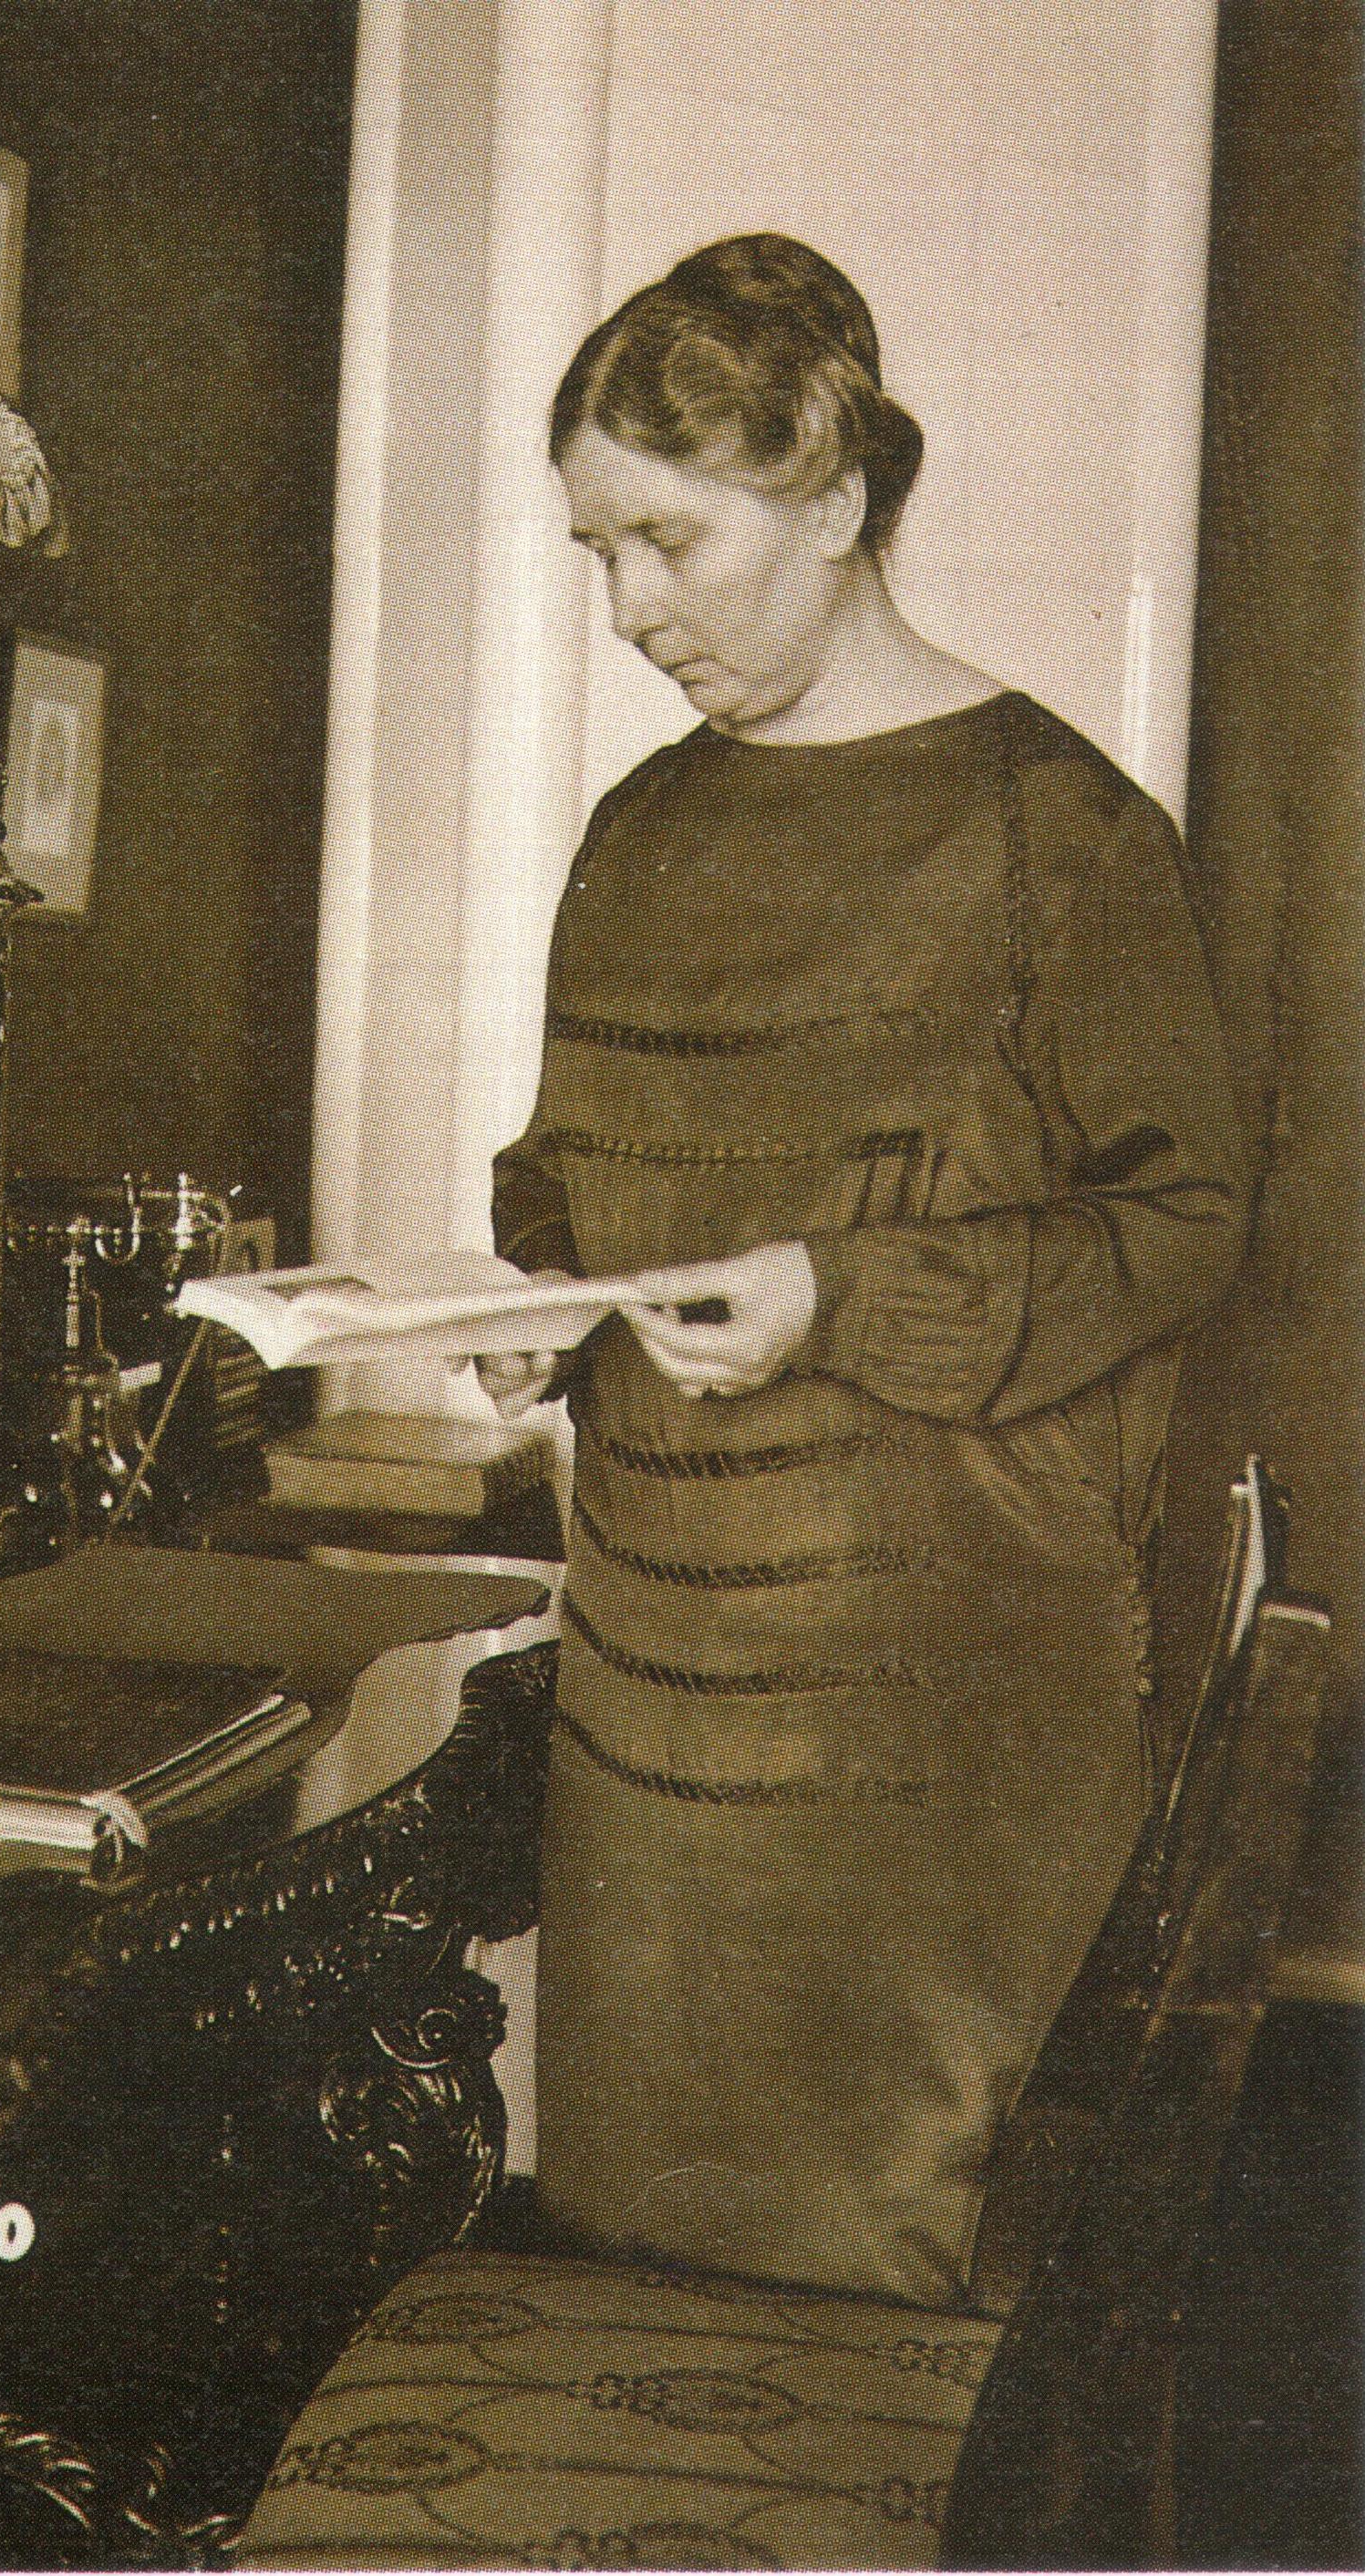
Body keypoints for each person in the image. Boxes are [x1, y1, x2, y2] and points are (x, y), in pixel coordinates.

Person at [481, 235, 1246, 2307]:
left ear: (831, 497)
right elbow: (562, 1162)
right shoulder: (636, 830)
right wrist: (532, 1299)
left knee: (884, 2316)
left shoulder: (1062, 833)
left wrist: (837, 1293)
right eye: (597, 550)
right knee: (634, 2283)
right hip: (647, 1714)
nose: (629, 608)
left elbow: (1185, 1220)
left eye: (670, 539)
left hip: (930, 1734)